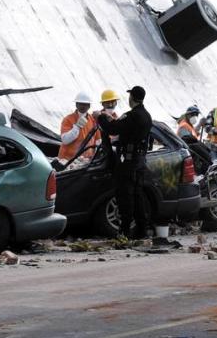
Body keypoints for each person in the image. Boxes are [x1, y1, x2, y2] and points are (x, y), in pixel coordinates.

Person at [96, 86, 152, 239]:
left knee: (125, 196)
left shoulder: (131, 116)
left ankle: (125, 231)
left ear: (132, 98)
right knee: (138, 195)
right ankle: (142, 230)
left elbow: (112, 129)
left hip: (128, 162)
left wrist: (100, 118)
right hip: (140, 161)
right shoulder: (147, 116)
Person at [59, 92, 98, 162]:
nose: (82, 106)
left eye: (85, 104)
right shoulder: (68, 119)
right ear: (76, 104)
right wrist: (77, 127)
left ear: (89, 106)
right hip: (67, 160)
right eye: (80, 104)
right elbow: (65, 140)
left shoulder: (92, 120)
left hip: (86, 160)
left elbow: (97, 141)